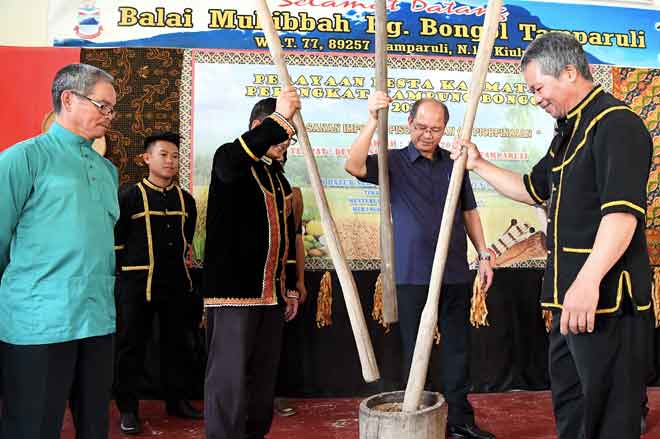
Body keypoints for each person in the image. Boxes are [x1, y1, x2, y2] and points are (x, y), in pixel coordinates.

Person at [452, 32, 653, 438]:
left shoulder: (616, 125)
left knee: (609, 415)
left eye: (539, 88)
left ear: (569, 72)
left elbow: (622, 215)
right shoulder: (569, 131)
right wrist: (479, 164)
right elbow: (532, 189)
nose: (536, 98)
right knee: (572, 405)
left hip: (604, 299)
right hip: (569, 299)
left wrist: (588, 282)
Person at [345, 94, 495, 439]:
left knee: (458, 350)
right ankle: (421, 419)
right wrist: (371, 120)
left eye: (436, 129)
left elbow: (469, 212)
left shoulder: (455, 163)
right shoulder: (393, 161)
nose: (428, 134)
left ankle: (459, 422)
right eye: (422, 127)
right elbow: (353, 166)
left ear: (445, 129)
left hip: (454, 272)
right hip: (412, 275)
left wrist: (484, 254)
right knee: (416, 351)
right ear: (409, 125)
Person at [0, 63, 118, 439]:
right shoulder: (23, 159)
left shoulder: (107, 169)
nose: (109, 116)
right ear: (68, 99)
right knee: (32, 427)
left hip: (98, 318)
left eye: (112, 109)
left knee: (94, 427)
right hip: (39, 323)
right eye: (102, 106)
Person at [202, 89, 302, 439]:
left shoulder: (278, 178)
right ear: (260, 126)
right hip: (235, 296)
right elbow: (232, 164)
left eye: (291, 136)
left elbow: (287, 239)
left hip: (271, 298)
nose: (287, 143)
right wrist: (283, 118)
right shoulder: (229, 160)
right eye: (284, 134)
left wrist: (289, 286)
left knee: (262, 383)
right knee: (228, 382)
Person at [113, 132, 202, 434]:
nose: (170, 160)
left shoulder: (186, 201)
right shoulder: (129, 196)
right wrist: (121, 279)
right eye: (163, 154)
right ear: (146, 159)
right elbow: (117, 242)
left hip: (177, 285)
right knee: (131, 347)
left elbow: (186, 241)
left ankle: (177, 402)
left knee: (178, 346)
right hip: (136, 285)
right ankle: (127, 408)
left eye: (175, 156)